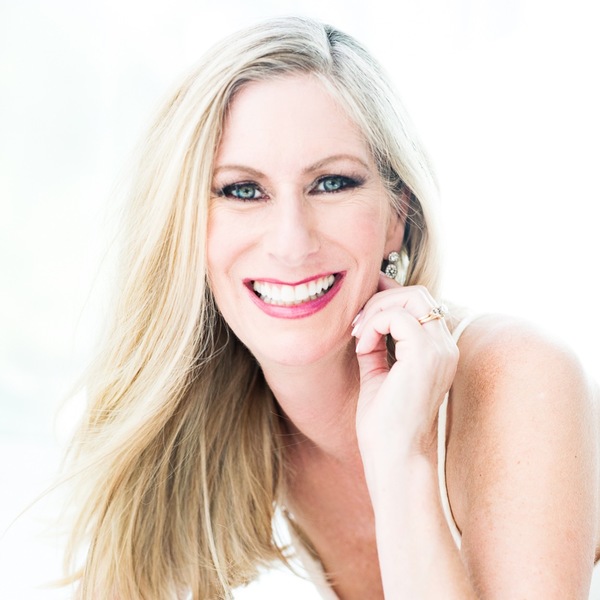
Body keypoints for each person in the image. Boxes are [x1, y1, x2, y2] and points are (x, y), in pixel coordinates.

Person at [61, 16, 600, 599]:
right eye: (243, 190)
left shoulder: (519, 378)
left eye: (332, 183)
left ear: (397, 217)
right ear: (185, 226)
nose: (291, 243)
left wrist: (402, 461)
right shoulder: (200, 433)